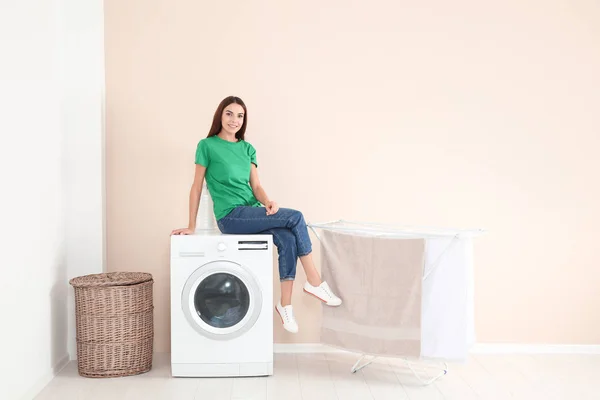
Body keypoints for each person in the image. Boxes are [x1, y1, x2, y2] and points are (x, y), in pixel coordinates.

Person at [171, 96, 342, 333]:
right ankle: (314, 281)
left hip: (251, 212)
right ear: (220, 115)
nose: (234, 120)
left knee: (287, 237)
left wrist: (268, 202)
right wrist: (191, 225)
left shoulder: (247, 149)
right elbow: (197, 186)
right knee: (296, 216)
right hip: (230, 216)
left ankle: (286, 305)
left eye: (240, 116)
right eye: (229, 114)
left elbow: (256, 186)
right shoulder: (207, 145)